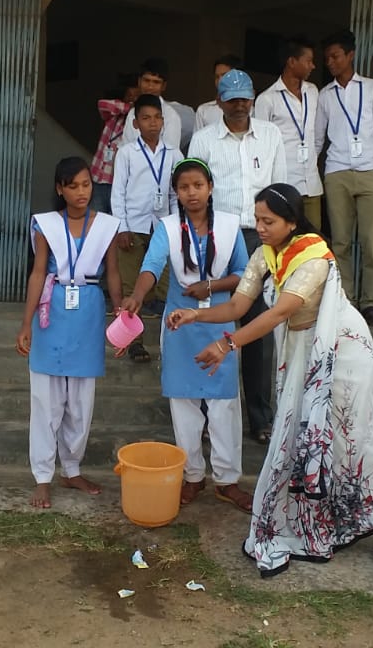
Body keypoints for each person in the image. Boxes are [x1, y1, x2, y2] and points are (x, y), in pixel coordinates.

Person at [170, 182, 373, 575]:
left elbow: (279, 312)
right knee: (304, 439)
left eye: (269, 221)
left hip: (341, 353)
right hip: (304, 350)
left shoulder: (313, 256)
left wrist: (227, 344)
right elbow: (238, 305)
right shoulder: (266, 254)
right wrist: (196, 314)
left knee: (352, 440)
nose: (260, 228)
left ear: (292, 222)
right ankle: (320, 522)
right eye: (257, 220)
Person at [119, 158, 251, 511]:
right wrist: (137, 296)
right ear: (175, 192)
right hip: (179, 323)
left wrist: (211, 285)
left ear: (210, 188)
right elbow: (151, 265)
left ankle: (227, 480)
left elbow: (244, 273)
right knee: (183, 404)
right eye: (183, 187)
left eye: (198, 185)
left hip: (220, 320)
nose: (192, 193)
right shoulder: (167, 227)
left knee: (224, 404)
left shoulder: (229, 226)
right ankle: (193, 476)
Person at [16, 158, 124, 509]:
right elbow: (37, 273)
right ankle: (43, 476)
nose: (81, 192)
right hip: (52, 309)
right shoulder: (46, 224)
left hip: (88, 311)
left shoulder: (107, 225)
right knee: (46, 400)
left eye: (87, 184)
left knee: (80, 401)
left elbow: (112, 272)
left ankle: (72, 469)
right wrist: (25, 323)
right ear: (60, 189)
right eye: (73, 186)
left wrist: (120, 314)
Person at [188, 69, 288, 443]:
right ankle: (206, 416)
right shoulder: (203, 140)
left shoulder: (272, 135)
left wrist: (280, 242)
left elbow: (281, 190)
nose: (240, 105)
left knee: (259, 328)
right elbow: (193, 195)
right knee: (213, 324)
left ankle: (260, 418)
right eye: (232, 99)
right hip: (219, 237)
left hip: (261, 238)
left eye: (245, 98)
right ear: (219, 101)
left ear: (253, 97)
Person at [314, 30, 373, 325]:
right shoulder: (325, 94)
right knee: (341, 242)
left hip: (369, 171)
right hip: (337, 171)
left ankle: (370, 303)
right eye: (327, 59)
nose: (330, 63)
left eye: (335, 56)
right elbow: (318, 138)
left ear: (350, 55)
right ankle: (345, 301)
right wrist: (318, 173)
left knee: (371, 242)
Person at [112, 94, 182, 361]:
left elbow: (176, 194)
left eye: (157, 118)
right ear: (135, 123)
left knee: (166, 286)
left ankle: (171, 339)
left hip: (162, 227)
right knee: (132, 285)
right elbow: (118, 192)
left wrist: (176, 226)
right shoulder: (127, 153)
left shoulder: (173, 153)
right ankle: (133, 342)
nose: (152, 123)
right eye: (146, 118)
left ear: (163, 121)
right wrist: (122, 227)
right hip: (133, 225)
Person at [254, 37, 323, 229]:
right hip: (285, 184)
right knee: (285, 238)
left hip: (311, 183)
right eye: (308, 61)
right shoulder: (267, 99)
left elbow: (317, 135)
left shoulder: (313, 91)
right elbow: (261, 145)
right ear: (292, 62)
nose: (313, 66)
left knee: (313, 239)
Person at [89, 74, 139, 214]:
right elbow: (102, 104)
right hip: (98, 179)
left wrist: (136, 110)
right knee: (97, 222)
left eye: (136, 96)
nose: (132, 98)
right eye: (129, 94)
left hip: (117, 184)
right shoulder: (114, 115)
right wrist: (130, 107)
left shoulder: (138, 122)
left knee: (115, 223)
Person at [121, 58, 182, 151]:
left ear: (163, 86)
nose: (150, 87)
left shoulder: (171, 115)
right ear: (139, 82)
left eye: (156, 82)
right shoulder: (132, 113)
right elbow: (125, 148)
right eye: (146, 80)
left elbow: (171, 153)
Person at [193, 54, 242, 133]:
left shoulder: (250, 110)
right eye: (217, 77)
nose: (220, 81)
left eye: (224, 76)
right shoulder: (204, 111)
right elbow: (197, 140)